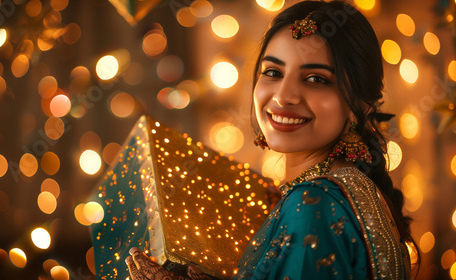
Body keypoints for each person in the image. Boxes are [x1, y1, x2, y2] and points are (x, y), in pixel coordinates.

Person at [125, 1, 419, 279]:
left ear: (362, 105)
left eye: (316, 79)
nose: (283, 96)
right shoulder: (357, 188)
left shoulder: (312, 203)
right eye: (273, 72)